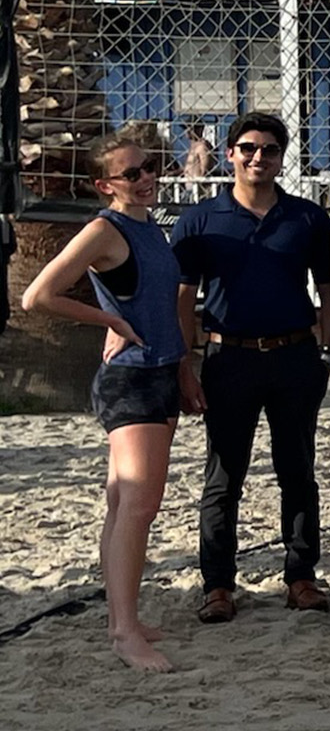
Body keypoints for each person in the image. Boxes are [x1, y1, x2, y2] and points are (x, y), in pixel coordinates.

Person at [21, 124, 188, 672]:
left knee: (124, 502)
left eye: (150, 167)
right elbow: (36, 296)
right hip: (131, 378)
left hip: (160, 371)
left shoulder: (149, 227)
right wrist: (107, 318)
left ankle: (126, 618)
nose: (146, 179)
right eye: (132, 173)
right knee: (138, 505)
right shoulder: (103, 228)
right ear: (104, 185)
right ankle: (123, 632)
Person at [171, 112, 330, 623]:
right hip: (229, 357)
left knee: (298, 470)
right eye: (247, 148)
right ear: (230, 154)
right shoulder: (200, 219)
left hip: (294, 356)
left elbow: (329, 290)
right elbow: (182, 297)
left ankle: (300, 576)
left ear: (283, 157)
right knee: (224, 476)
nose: (257, 157)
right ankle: (218, 585)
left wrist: (327, 351)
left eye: (269, 149)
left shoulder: (308, 218)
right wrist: (186, 362)